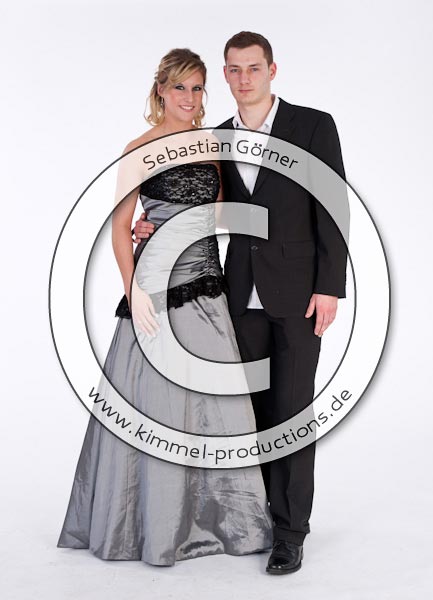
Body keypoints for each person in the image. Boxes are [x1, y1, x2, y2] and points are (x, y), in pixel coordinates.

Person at [134, 32, 348, 574]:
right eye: (234, 69)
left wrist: (330, 285)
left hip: (300, 296)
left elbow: (333, 207)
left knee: (292, 412)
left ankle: (290, 533)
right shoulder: (219, 139)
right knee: (249, 415)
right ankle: (256, 521)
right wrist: (153, 224)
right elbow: (209, 206)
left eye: (253, 68)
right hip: (236, 297)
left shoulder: (313, 126)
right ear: (225, 76)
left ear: (272, 70)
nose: (244, 78)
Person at [56, 48, 273, 567]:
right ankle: (151, 526)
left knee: (217, 405)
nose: (189, 98)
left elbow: (221, 215)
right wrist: (133, 289)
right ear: (161, 91)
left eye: (198, 88)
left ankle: (221, 521)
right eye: (180, 87)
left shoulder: (213, 146)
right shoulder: (138, 149)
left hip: (208, 289)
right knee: (154, 405)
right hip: (155, 290)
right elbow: (118, 228)